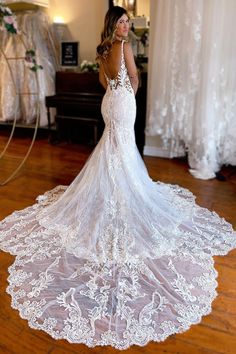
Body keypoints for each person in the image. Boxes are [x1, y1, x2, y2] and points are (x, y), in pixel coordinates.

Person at [0, 6, 236, 350]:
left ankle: (113, 188)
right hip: (124, 101)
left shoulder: (101, 49)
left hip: (111, 101)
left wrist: (121, 87)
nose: (126, 26)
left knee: (114, 147)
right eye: (123, 21)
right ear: (116, 24)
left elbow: (104, 80)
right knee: (122, 148)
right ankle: (124, 192)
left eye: (128, 21)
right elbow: (134, 80)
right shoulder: (122, 46)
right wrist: (132, 83)